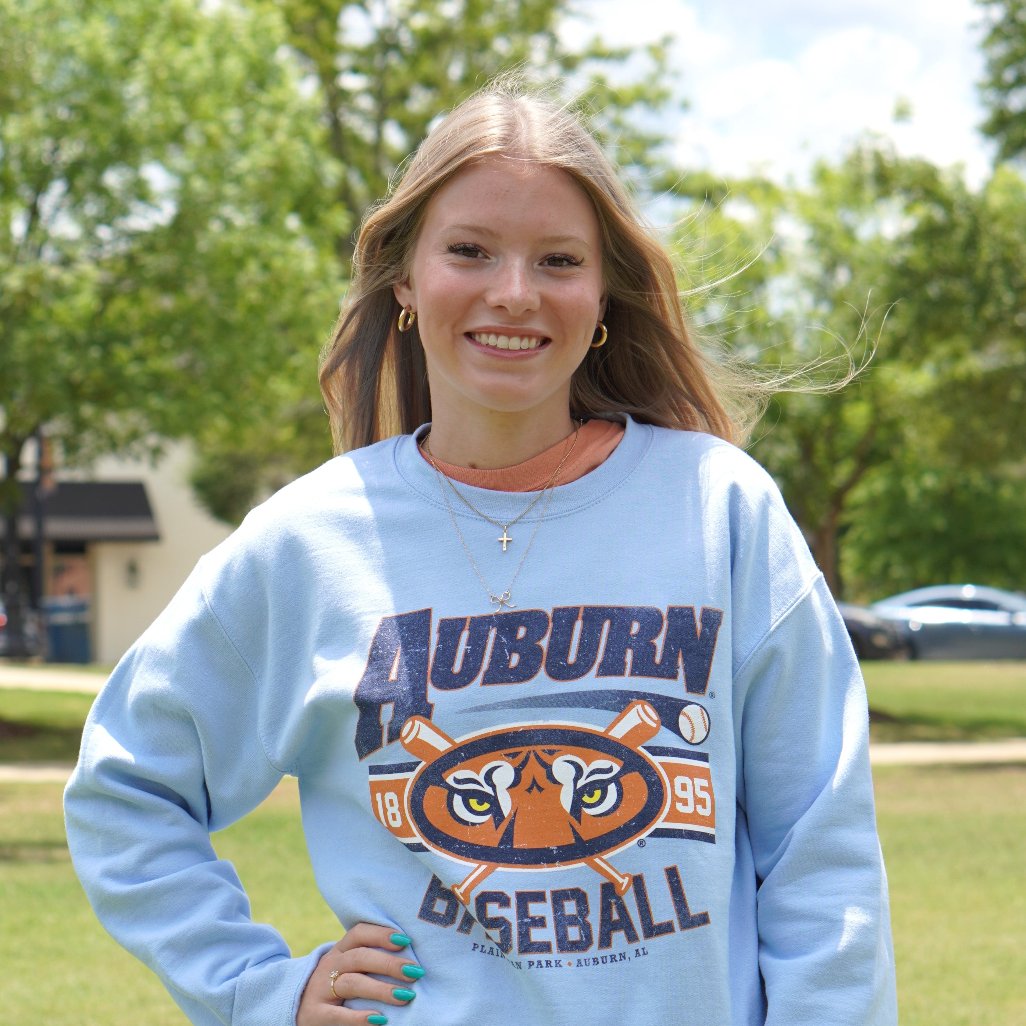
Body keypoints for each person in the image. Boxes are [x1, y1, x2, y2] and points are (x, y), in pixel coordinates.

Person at [65, 80, 897, 1026]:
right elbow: (124, 791)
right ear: (405, 280)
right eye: (469, 250)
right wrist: (264, 989)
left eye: (558, 260)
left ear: (602, 295)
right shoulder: (307, 544)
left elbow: (820, 857)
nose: (514, 292)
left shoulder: (721, 511)